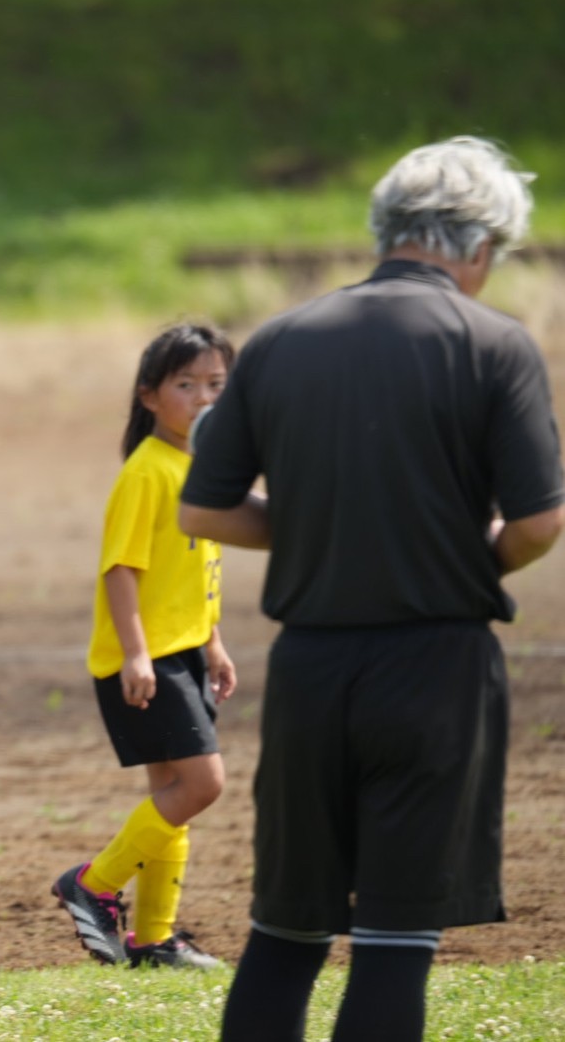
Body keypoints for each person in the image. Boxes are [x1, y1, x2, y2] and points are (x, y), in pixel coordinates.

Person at [180, 137, 565, 1041]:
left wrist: (324, 533)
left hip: (314, 668)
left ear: (386, 229)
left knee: (285, 936)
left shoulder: (278, 340)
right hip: (435, 667)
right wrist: (455, 560)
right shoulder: (496, 344)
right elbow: (542, 524)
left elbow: (205, 513)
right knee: (395, 942)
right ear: (479, 246)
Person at [51, 324, 236, 970]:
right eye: (186, 385)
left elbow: (193, 572)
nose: (203, 397)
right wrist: (135, 653)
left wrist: (213, 643)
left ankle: (155, 939)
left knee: (173, 788)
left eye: (216, 385)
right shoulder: (148, 471)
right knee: (202, 784)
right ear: (150, 396)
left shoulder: (200, 469)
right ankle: (94, 885)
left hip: (183, 651)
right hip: (147, 658)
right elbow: (121, 570)